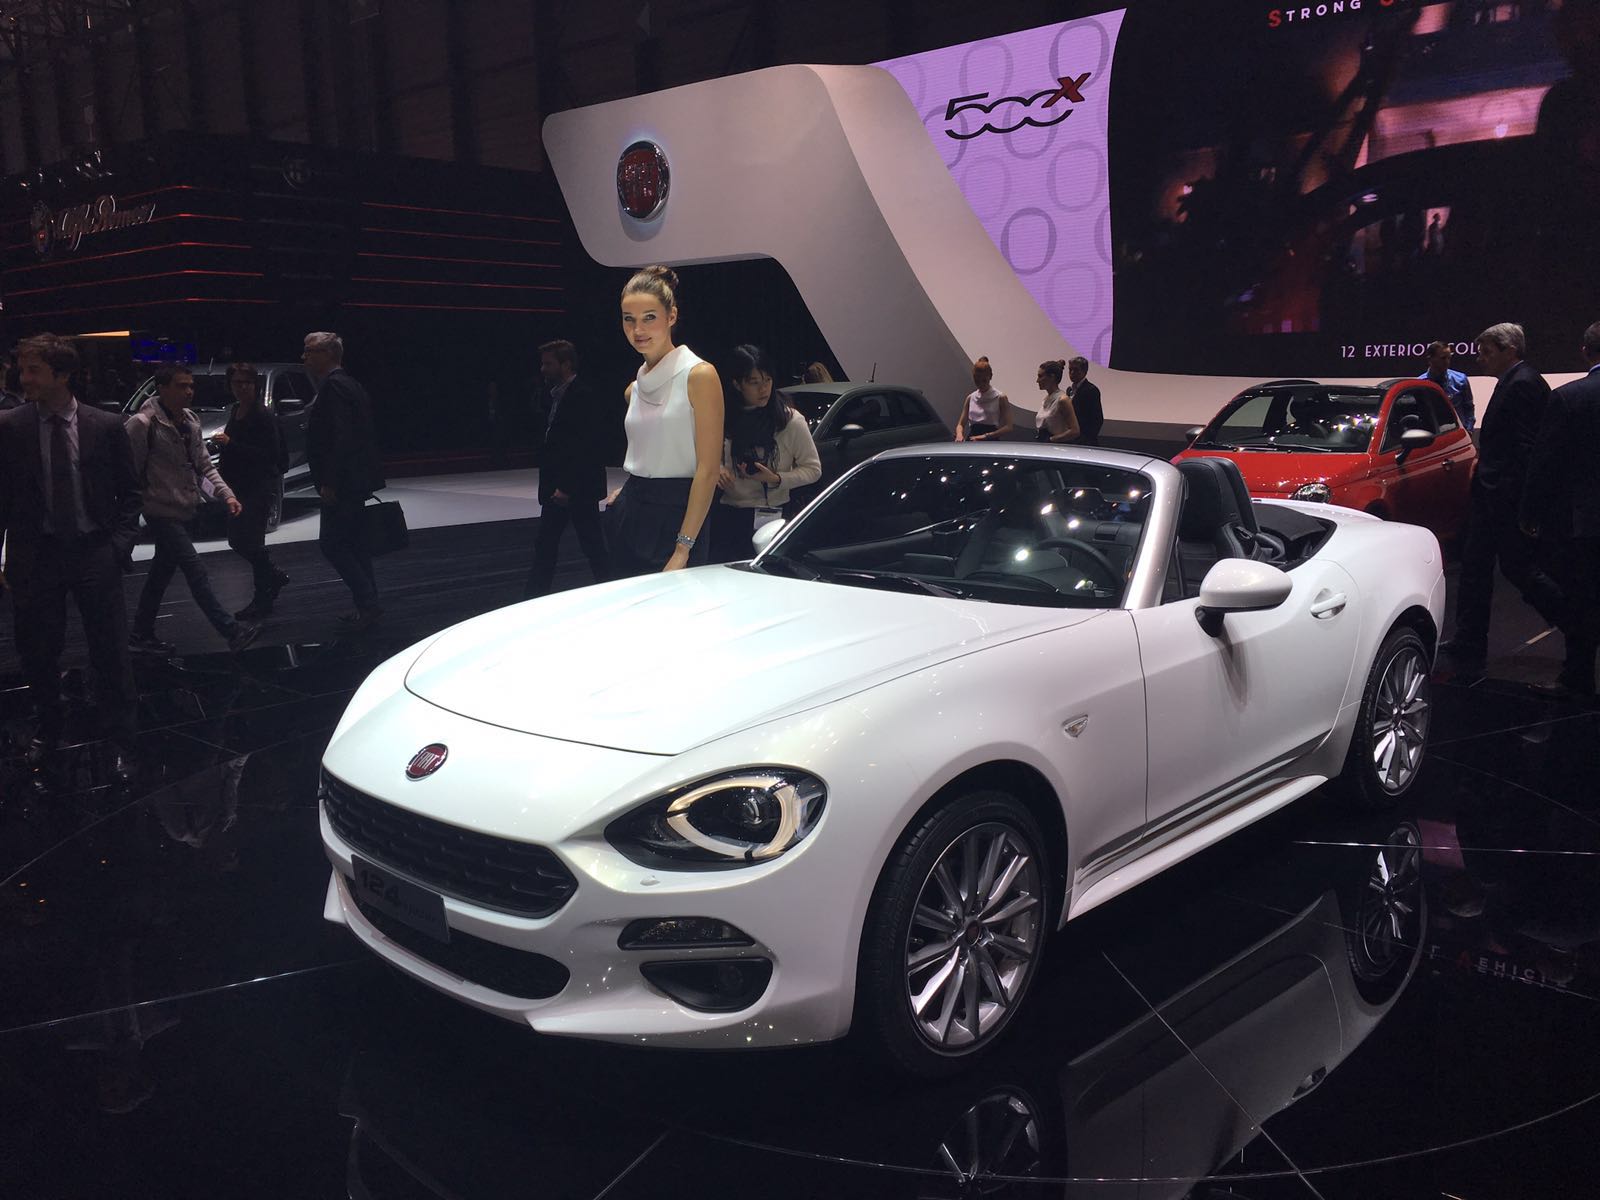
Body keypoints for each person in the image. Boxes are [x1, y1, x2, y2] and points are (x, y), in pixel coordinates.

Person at [0, 334, 141, 778]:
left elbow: (131, 493)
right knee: (38, 650)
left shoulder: (106, 425)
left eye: (33, 370)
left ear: (62, 375)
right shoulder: (10, 427)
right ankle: (49, 726)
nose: (24, 379)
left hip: (93, 550)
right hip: (37, 554)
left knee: (110, 649)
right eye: (22, 369)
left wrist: (118, 545)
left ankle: (121, 738)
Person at [1441, 323, 1563, 671]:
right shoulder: (1515, 380)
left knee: (1517, 568)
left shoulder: (1522, 383)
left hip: (1503, 499)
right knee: (1476, 569)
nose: (1480, 359)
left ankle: (1575, 622)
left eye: (1486, 352)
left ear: (1509, 350)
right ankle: (1469, 640)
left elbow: (1527, 449)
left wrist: (1513, 498)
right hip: (1493, 496)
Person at [126, 366, 259, 655]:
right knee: (195, 569)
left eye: (191, 386)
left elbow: (204, 466)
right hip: (159, 510)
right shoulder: (142, 424)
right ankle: (231, 630)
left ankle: (140, 633)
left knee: (161, 573)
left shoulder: (191, 421)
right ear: (162, 388)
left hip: (184, 508)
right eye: (181, 386)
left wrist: (227, 495)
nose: (189, 391)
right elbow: (127, 471)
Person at [606, 265, 724, 577]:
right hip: (631, 513)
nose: (638, 329)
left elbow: (709, 470)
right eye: (628, 319)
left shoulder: (698, 375)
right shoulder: (635, 388)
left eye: (649, 317)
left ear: (672, 316)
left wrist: (683, 548)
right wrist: (628, 492)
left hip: (678, 517)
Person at [1520, 320, 1600, 697]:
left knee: (1582, 597)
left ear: (1585, 352)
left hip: (1584, 520)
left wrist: (1530, 514)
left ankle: (1578, 676)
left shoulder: (1569, 397)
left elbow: (1545, 463)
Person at [708, 344, 822, 563]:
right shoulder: (722, 419)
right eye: (754, 382)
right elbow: (702, 457)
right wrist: (717, 469)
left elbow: (814, 469)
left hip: (775, 516)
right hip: (730, 515)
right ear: (737, 384)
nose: (763, 389)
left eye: (767, 380)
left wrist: (777, 479)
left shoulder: (789, 421)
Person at [303, 331, 386, 629]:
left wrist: (330, 480)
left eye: (310, 351)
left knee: (333, 544)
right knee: (354, 543)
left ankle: (368, 602)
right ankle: (368, 605)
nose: (304, 356)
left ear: (327, 354)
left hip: (344, 481)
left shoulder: (334, 386)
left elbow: (341, 437)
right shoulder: (350, 384)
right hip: (355, 478)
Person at [524, 339, 613, 597]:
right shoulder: (551, 395)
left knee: (590, 545)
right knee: (549, 545)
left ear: (566, 365)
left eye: (548, 364)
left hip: (575, 488)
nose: (543, 369)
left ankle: (610, 589)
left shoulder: (583, 396)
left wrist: (567, 488)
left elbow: (586, 447)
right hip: (560, 487)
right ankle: (533, 597)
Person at [215, 363, 290, 619]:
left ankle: (263, 596)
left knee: (250, 541)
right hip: (239, 486)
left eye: (246, 382)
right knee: (240, 540)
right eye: (237, 383)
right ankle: (271, 579)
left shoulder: (262, 415)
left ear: (255, 385)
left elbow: (270, 455)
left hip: (257, 486)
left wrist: (231, 444)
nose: (242, 387)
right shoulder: (236, 410)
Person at [953, 357, 1013, 442]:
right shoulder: (970, 397)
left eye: (984, 380)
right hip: (973, 440)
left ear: (990, 376)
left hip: (991, 440)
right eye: (977, 381)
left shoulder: (1000, 397)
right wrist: (959, 434)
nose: (981, 384)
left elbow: (1009, 426)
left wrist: (985, 436)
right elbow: (960, 424)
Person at [1423, 341, 1476, 431]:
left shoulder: (1460, 379)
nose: (1447, 362)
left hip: (1458, 433)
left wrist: (1469, 430)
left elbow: (1469, 407)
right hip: (1432, 434)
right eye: (1443, 358)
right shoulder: (1421, 383)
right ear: (1430, 359)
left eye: (1449, 358)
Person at [1034, 359, 1080, 444]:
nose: (1037, 380)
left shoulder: (1063, 400)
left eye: (1040, 376)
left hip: (1055, 447)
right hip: (1043, 445)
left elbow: (1075, 431)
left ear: (1052, 377)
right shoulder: (1046, 398)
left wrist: (1051, 440)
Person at [1067, 357, 1104, 446]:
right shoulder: (1069, 390)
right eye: (1070, 369)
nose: (1072, 373)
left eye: (1076, 370)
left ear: (1085, 371)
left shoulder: (1091, 390)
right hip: (1071, 439)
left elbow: (1097, 419)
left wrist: (1085, 439)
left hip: (1084, 442)